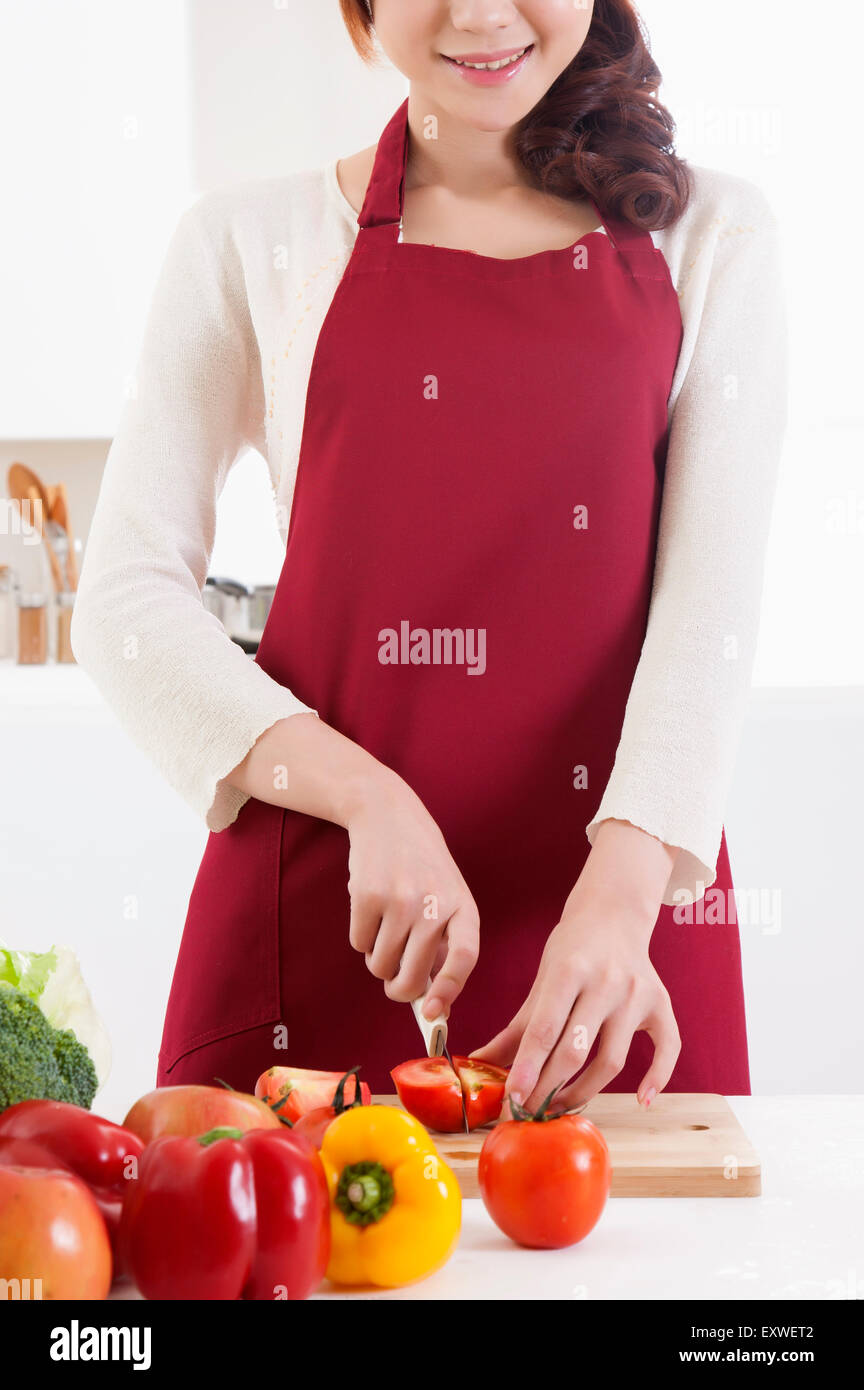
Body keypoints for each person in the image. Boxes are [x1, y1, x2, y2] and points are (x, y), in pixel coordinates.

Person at [72, 0, 787, 1109]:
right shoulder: (251, 242)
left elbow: (712, 613)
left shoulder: (715, 238)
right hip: (327, 923)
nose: (480, 12)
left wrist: (619, 894)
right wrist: (367, 799)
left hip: (618, 950)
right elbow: (121, 599)